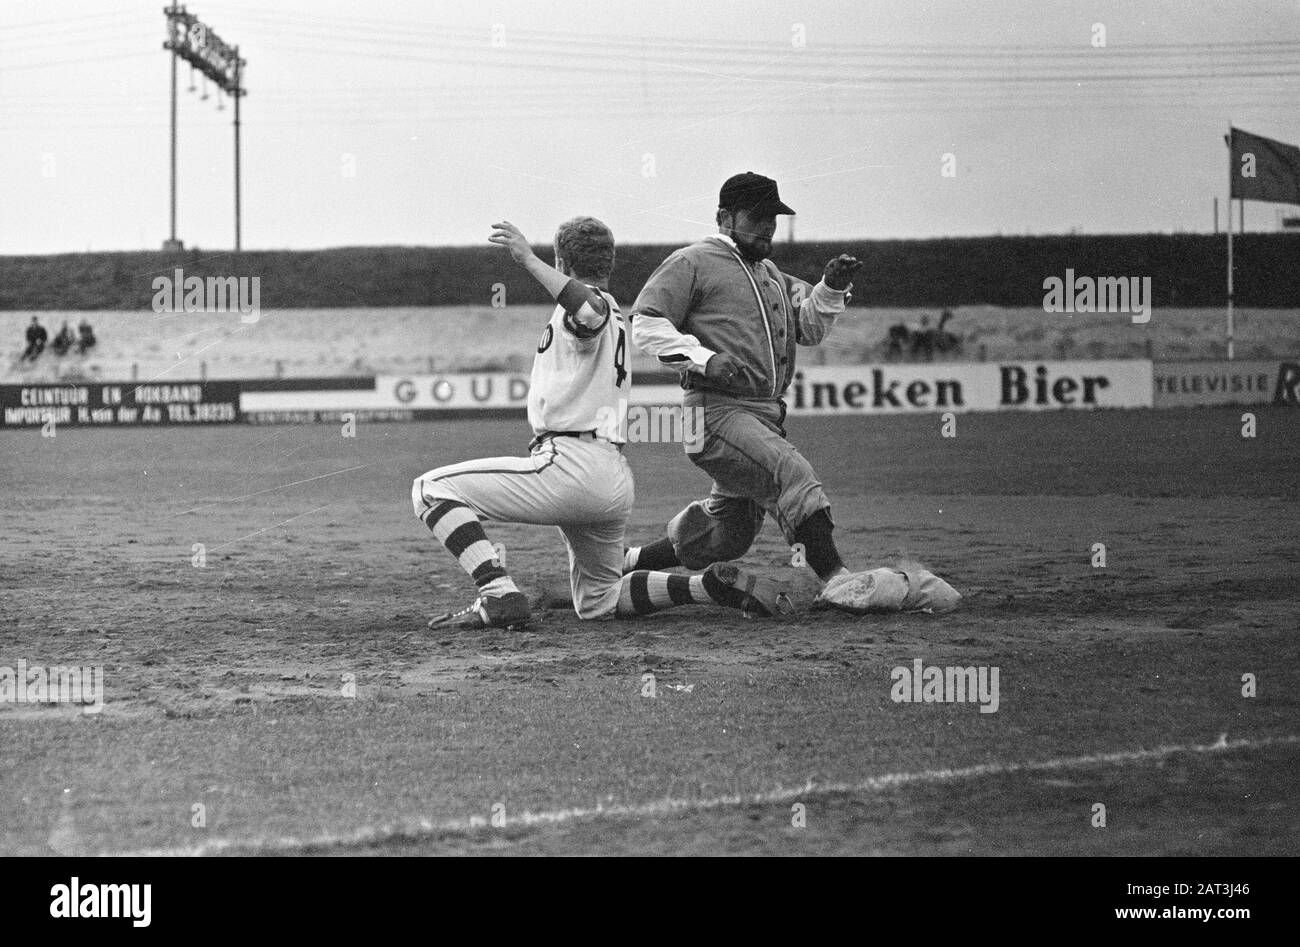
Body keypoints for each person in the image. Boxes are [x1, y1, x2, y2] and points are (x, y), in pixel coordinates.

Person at [410, 216, 792, 630]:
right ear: (609, 262)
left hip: (569, 463)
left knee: (431, 490)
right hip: (609, 476)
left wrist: (528, 261)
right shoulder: (618, 316)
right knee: (599, 601)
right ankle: (705, 587)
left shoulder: (592, 305)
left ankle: (497, 592)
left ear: (561, 259)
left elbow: (587, 310)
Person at [623, 171, 960, 614]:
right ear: (724, 217)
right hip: (716, 414)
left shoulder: (770, 275)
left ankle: (626, 562)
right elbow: (645, 321)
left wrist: (830, 288)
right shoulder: (692, 262)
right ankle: (837, 580)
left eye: (773, 218)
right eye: (757, 216)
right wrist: (703, 358)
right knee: (792, 472)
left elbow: (806, 329)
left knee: (727, 535)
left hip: (760, 418)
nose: (767, 226)